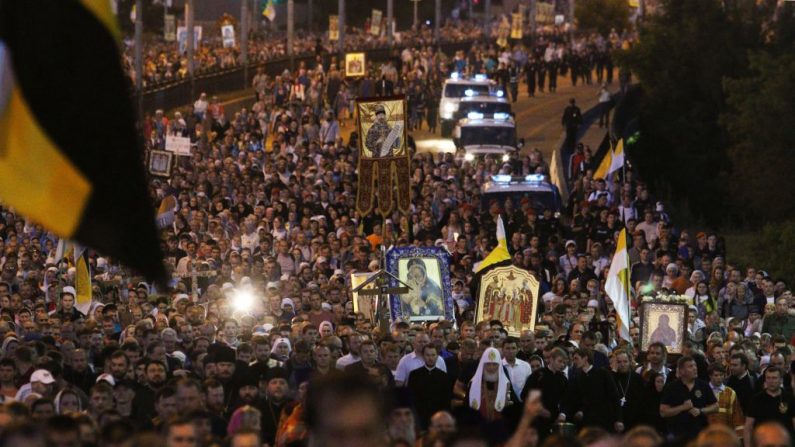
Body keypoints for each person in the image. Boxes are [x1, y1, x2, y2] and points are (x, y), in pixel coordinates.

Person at [660, 356, 718, 443]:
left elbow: (716, 407)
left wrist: (701, 410)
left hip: (700, 435)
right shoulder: (671, 387)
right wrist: (682, 407)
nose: (695, 368)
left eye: (695, 365)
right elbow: (663, 412)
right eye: (690, 366)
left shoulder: (703, 385)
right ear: (682, 371)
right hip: (677, 436)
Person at [744, 367, 795, 447]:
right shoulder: (756, 399)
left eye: (774, 378)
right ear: (765, 380)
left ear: (781, 380)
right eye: (768, 378)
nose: (771, 381)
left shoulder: (789, 398)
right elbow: (748, 427)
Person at [407, 344, 452, 429]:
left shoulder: (444, 377)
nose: (430, 358)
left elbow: (447, 401)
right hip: (420, 419)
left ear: (437, 356)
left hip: (438, 419)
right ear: (423, 356)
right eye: (427, 355)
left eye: (433, 355)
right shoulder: (414, 375)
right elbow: (411, 398)